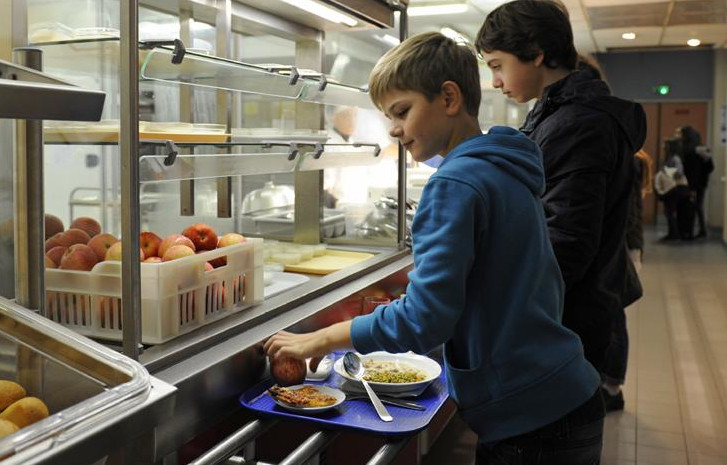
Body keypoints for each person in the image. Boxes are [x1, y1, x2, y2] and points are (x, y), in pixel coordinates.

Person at [266, 32, 603, 465]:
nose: (392, 128)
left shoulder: (455, 183)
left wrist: (320, 340)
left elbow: (425, 318)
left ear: (448, 98)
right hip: (558, 390)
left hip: (530, 416)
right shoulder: (504, 167)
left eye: (401, 111)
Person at [477, 0, 647, 376]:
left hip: (565, 322)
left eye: (497, 66)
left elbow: (566, 241)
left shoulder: (579, 123)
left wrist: (502, 303)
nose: (495, 82)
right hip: (569, 314)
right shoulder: (563, 113)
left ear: (536, 55)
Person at [679, 126, 714, 238]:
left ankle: (690, 231)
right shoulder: (699, 150)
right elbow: (710, 168)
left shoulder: (689, 150)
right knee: (697, 206)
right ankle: (698, 230)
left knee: (693, 206)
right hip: (700, 183)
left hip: (693, 183)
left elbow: (694, 169)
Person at [654, 151, 691, 241]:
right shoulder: (676, 160)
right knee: (675, 213)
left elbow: (658, 188)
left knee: (670, 213)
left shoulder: (661, 173)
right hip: (682, 189)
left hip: (673, 190)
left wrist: (661, 195)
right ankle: (678, 234)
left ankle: (674, 234)